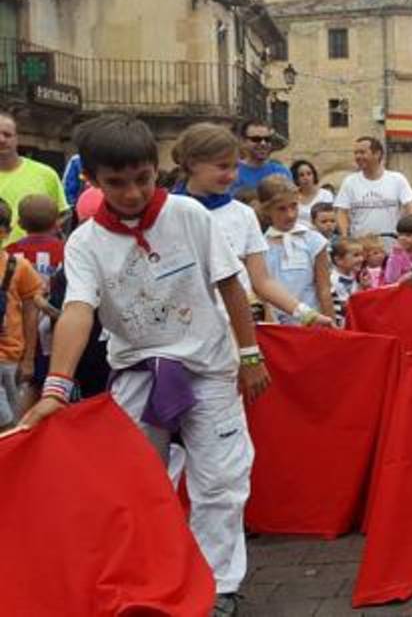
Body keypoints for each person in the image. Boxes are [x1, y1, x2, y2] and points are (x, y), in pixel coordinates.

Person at [18, 114, 271, 617]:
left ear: (157, 170)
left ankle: (218, 587)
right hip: (136, 372)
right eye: (116, 183)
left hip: (208, 368)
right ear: (91, 180)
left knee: (220, 480)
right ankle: (154, 573)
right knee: (136, 485)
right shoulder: (85, 242)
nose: (132, 193)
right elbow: (77, 312)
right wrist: (54, 389)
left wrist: (249, 353)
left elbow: (230, 286)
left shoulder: (189, 216)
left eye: (142, 179)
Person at [170, 123, 330, 328]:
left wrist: (307, 315)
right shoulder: (168, 211)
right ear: (193, 164)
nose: (232, 175)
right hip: (187, 328)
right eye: (222, 167)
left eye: (235, 166)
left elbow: (261, 281)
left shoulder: (243, 214)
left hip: (237, 329)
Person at [6, 194, 66, 389]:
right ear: (57, 222)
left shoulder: (10, 253)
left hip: (16, 336)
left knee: (23, 391)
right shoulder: (68, 251)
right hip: (57, 335)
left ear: (20, 224)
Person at [257, 176, 335, 326]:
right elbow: (262, 291)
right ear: (267, 210)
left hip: (313, 322)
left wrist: (331, 324)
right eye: (282, 209)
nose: (290, 214)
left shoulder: (313, 240)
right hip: (278, 326)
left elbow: (324, 288)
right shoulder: (260, 246)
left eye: (294, 206)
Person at [0, 200, 43, 431]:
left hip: (11, 358)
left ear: (5, 232)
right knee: (5, 423)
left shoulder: (18, 266)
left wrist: (28, 359)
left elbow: (30, 312)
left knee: (15, 424)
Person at [334, 137, 412, 251]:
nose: (358, 157)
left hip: (393, 249)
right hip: (361, 251)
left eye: (362, 152)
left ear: (377, 154)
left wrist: (411, 234)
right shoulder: (350, 181)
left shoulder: (397, 179)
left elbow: (411, 208)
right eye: (356, 153)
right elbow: (341, 212)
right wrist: (345, 237)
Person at [0, 111, 69, 244]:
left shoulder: (46, 174)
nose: (1, 139)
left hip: (37, 260)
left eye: (7, 135)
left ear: (17, 138)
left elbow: (62, 215)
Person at [230, 120, 292, 194]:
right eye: (256, 139)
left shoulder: (282, 172)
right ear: (243, 141)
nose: (263, 143)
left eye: (267, 139)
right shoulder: (232, 173)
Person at [329, 239, 364, 327]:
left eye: (362, 255)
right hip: (340, 323)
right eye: (356, 255)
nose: (361, 259)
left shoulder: (352, 274)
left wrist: (362, 287)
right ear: (339, 260)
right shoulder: (333, 279)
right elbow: (342, 304)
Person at [290, 159, 334, 227]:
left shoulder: (325, 195)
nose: (306, 178)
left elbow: (329, 219)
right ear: (296, 179)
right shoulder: (291, 196)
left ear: (314, 175)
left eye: (309, 174)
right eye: (301, 175)